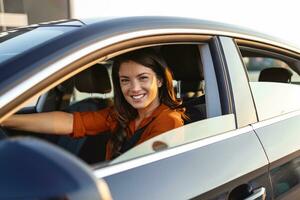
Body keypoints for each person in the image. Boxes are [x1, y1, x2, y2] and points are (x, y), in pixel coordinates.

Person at [1, 48, 185, 160]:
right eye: (125, 80)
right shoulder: (121, 114)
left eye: (143, 78)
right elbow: (70, 122)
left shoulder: (168, 120)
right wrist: (5, 119)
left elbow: (145, 175)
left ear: (160, 80)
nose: (134, 88)